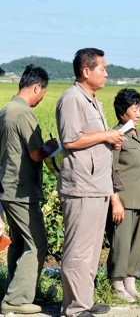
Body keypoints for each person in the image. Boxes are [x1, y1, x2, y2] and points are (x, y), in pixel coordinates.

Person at [56, 48, 124, 317]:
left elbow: (92, 138)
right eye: (102, 69)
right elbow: (70, 140)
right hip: (81, 185)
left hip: (96, 184)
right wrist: (106, 135)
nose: (106, 73)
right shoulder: (72, 99)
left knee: (92, 249)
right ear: (86, 71)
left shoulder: (92, 99)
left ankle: (84, 300)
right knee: (78, 250)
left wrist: (110, 139)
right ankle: (74, 308)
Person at [0, 65, 58, 315]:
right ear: (37, 87)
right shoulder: (23, 113)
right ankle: (15, 300)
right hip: (22, 189)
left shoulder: (5, 110)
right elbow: (35, 153)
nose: (42, 98)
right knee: (36, 242)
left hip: (8, 187)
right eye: (42, 92)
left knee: (19, 243)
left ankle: (19, 293)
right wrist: (51, 148)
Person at [105, 88, 140, 302]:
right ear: (121, 112)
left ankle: (131, 284)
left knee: (138, 244)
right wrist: (115, 200)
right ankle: (117, 284)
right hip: (124, 200)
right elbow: (109, 170)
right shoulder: (115, 136)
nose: (138, 114)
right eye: (134, 109)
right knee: (121, 243)